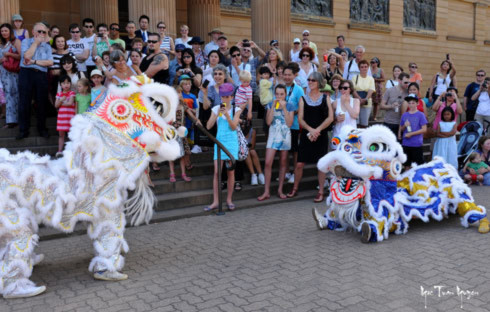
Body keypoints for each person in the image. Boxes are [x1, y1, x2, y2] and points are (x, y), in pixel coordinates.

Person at [288, 72, 333, 202]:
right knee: (300, 163)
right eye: (309, 80)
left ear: (319, 82)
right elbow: (300, 119)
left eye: (313, 80)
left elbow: (330, 118)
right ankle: (295, 188)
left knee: (321, 165)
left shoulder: (326, 98)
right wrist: (311, 130)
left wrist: (317, 130)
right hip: (306, 135)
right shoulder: (303, 98)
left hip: (321, 135)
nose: (310, 82)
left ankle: (320, 192)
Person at [205, 83, 241, 211]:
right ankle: (215, 201)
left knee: (230, 172)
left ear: (231, 97)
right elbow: (208, 126)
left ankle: (229, 200)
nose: (224, 99)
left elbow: (233, 127)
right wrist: (215, 115)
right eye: (222, 96)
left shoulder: (237, 109)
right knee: (216, 172)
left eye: (227, 96)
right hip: (219, 142)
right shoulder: (216, 108)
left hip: (231, 143)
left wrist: (226, 115)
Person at [17, 22, 53, 140]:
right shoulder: (26, 42)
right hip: (26, 74)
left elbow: (50, 62)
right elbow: (26, 57)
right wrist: (36, 43)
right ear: (33, 32)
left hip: (41, 75)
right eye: (39, 31)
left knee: (42, 102)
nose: (42, 34)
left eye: (44, 32)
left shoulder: (47, 46)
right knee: (24, 102)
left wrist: (35, 62)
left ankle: (42, 129)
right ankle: (23, 130)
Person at [257, 84, 294, 201]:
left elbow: (289, 123)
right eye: (277, 94)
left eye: (281, 94)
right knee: (268, 162)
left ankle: (280, 190)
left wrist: (283, 108)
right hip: (273, 134)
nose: (279, 96)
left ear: (285, 95)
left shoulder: (290, 105)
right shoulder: (269, 104)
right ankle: (266, 191)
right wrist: (272, 107)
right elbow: (268, 122)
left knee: (283, 162)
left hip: (285, 135)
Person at [170, 77, 195, 183]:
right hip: (171, 132)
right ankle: (172, 174)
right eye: (177, 93)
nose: (179, 95)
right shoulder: (169, 105)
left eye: (180, 93)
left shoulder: (183, 104)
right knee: (171, 155)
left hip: (181, 132)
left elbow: (189, 113)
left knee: (182, 154)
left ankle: (183, 173)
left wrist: (196, 120)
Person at [0, 23, 21, 128]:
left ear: (10, 32)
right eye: (2, 31)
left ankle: (15, 120)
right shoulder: (0, 44)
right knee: (7, 96)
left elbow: (21, 56)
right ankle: (10, 120)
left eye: (6, 30)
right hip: (2, 73)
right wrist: (2, 60)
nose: (4, 33)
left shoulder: (16, 42)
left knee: (14, 95)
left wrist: (9, 54)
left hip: (13, 73)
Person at [398, 94, 427, 169]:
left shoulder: (421, 115)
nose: (411, 105)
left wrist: (411, 133)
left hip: (416, 144)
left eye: (413, 103)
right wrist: (405, 125)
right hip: (406, 143)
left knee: (418, 165)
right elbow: (401, 129)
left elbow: (424, 129)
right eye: (409, 103)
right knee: (407, 165)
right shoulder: (404, 115)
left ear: (417, 103)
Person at [380, 72, 410, 137]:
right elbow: (381, 106)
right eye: (405, 82)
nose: (407, 84)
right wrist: (391, 106)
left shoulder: (408, 92)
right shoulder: (390, 90)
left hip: (401, 124)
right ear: (399, 80)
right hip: (389, 122)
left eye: (408, 83)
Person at [54, 75, 76, 158]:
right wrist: (61, 100)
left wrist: (61, 102)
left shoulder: (72, 93)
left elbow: (70, 103)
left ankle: (72, 151)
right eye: (64, 83)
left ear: (70, 84)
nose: (66, 85)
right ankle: (60, 151)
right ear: (60, 85)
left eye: (68, 82)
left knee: (71, 135)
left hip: (70, 117)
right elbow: (56, 105)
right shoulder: (59, 94)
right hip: (62, 118)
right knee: (61, 135)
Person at [352, 60, 375, 127]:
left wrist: (365, 99)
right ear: (359, 68)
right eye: (362, 67)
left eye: (365, 67)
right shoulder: (354, 78)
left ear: (368, 68)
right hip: (356, 102)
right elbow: (353, 90)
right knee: (356, 123)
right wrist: (359, 99)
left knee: (364, 124)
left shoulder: (371, 79)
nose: (364, 68)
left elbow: (371, 90)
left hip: (367, 102)